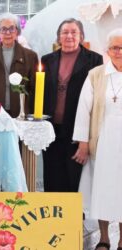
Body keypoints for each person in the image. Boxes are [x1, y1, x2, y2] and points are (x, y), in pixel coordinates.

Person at [73, 28, 122, 250]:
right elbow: (84, 110)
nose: (119, 51)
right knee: (102, 190)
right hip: (103, 141)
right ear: (107, 50)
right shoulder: (96, 74)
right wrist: (83, 142)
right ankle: (104, 238)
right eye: (115, 47)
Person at [41, 18, 103, 192]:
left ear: (81, 36)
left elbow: (97, 101)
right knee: (52, 174)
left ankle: (74, 218)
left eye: (73, 32)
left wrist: (88, 139)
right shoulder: (46, 59)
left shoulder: (95, 60)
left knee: (74, 177)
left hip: (78, 130)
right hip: (51, 129)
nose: (69, 36)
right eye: (65, 32)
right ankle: (53, 215)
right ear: (58, 37)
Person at [0, 12, 38, 118]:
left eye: (11, 28)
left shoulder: (30, 56)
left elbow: (34, 88)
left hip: (22, 113)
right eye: (3, 29)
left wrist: (27, 110)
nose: (8, 33)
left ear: (17, 31)